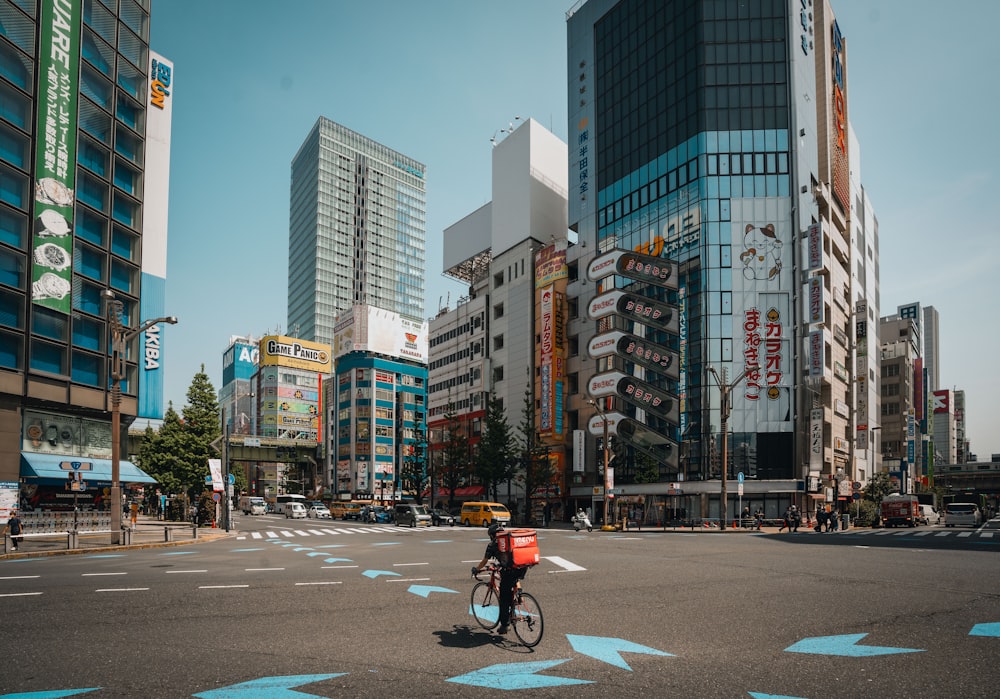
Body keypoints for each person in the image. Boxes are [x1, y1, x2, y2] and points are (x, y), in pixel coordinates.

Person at [472, 522, 525, 636]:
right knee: (514, 576)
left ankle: (504, 626)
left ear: (492, 535)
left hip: (508, 571)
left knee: (504, 599)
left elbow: (485, 560)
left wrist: (477, 569)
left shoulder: (493, 544)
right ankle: (519, 593)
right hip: (522, 567)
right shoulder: (510, 539)